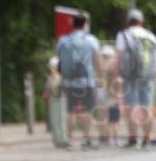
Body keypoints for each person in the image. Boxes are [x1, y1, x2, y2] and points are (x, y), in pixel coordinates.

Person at [115, 9, 156, 149]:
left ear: (128, 21)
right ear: (141, 21)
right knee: (147, 107)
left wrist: (118, 76)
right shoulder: (151, 36)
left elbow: (119, 56)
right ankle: (147, 138)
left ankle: (133, 139)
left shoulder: (123, 35)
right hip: (148, 76)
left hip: (130, 76)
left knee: (131, 107)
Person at [56, 13, 102, 149]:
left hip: (68, 81)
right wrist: (99, 78)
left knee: (70, 110)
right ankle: (86, 140)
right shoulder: (91, 40)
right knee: (87, 111)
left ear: (73, 24)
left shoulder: (63, 41)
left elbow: (60, 60)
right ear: (85, 24)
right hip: (86, 81)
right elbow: (97, 60)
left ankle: (68, 140)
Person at [97, 44, 121, 145]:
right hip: (111, 95)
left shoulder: (99, 65)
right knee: (113, 120)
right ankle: (115, 139)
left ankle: (104, 137)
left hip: (101, 92)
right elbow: (117, 84)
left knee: (103, 117)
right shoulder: (114, 67)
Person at [44, 55, 69, 148]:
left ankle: (62, 139)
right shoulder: (53, 77)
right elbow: (54, 89)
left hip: (59, 99)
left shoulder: (57, 76)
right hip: (55, 100)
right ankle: (60, 140)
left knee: (60, 120)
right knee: (57, 120)